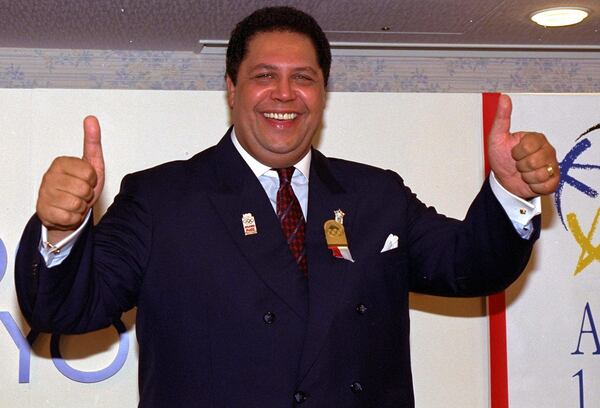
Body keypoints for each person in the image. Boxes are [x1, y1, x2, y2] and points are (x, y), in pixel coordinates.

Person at [15, 6, 559, 407]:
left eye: (304, 78)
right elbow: (65, 309)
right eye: (263, 76)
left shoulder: (376, 195)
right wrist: (59, 232)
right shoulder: (162, 199)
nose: (284, 93)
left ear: (323, 93)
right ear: (231, 88)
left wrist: (509, 193)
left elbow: (471, 265)